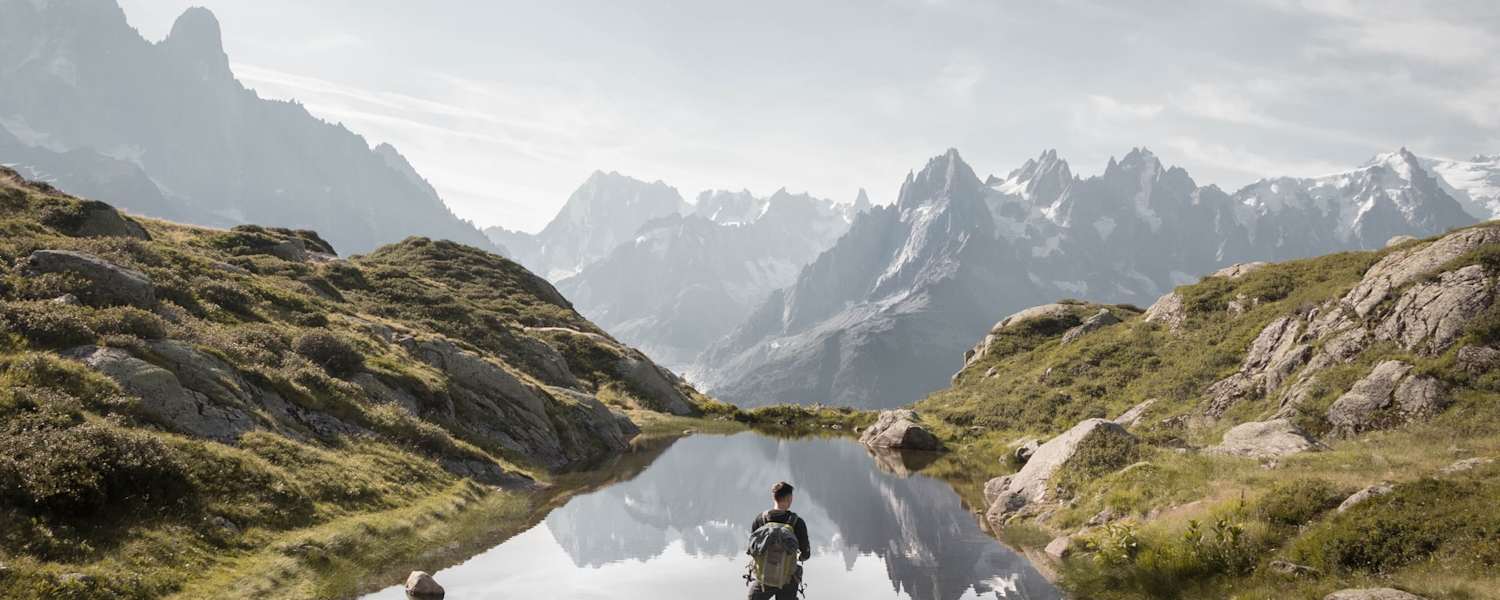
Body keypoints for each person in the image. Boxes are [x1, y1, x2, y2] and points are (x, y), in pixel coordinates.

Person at [747, 481, 811, 600]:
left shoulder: (760, 520)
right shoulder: (797, 522)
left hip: (764, 578)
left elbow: (752, 548)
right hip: (788, 580)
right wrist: (797, 557)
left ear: (774, 497)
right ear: (789, 498)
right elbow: (806, 554)